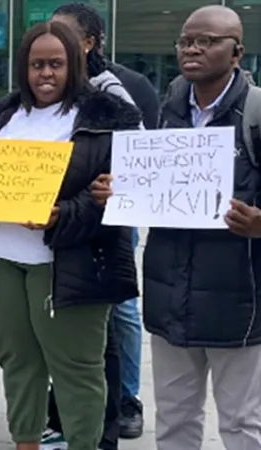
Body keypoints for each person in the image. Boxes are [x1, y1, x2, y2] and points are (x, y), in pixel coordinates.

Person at [0, 20, 141, 450]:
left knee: (76, 368)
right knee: (17, 361)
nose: (45, 74)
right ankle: (25, 443)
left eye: (56, 64)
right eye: (35, 65)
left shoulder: (109, 117)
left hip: (69, 261)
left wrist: (64, 213)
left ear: (77, 64)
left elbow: (127, 188)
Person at [141, 6, 261, 450]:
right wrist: (117, 191)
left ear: (237, 53)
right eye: (186, 40)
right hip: (168, 296)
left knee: (242, 425)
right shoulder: (164, 112)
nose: (192, 48)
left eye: (207, 40)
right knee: (173, 421)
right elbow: (147, 188)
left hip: (239, 301)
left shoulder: (255, 112)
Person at [51, 5, 160, 440]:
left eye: (63, 35)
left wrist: (116, 185)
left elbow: (142, 158)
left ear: (90, 43)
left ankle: (124, 403)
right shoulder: (47, 93)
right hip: (59, 227)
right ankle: (66, 415)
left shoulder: (115, 91)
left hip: (105, 223)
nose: (51, 42)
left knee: (117, 315)